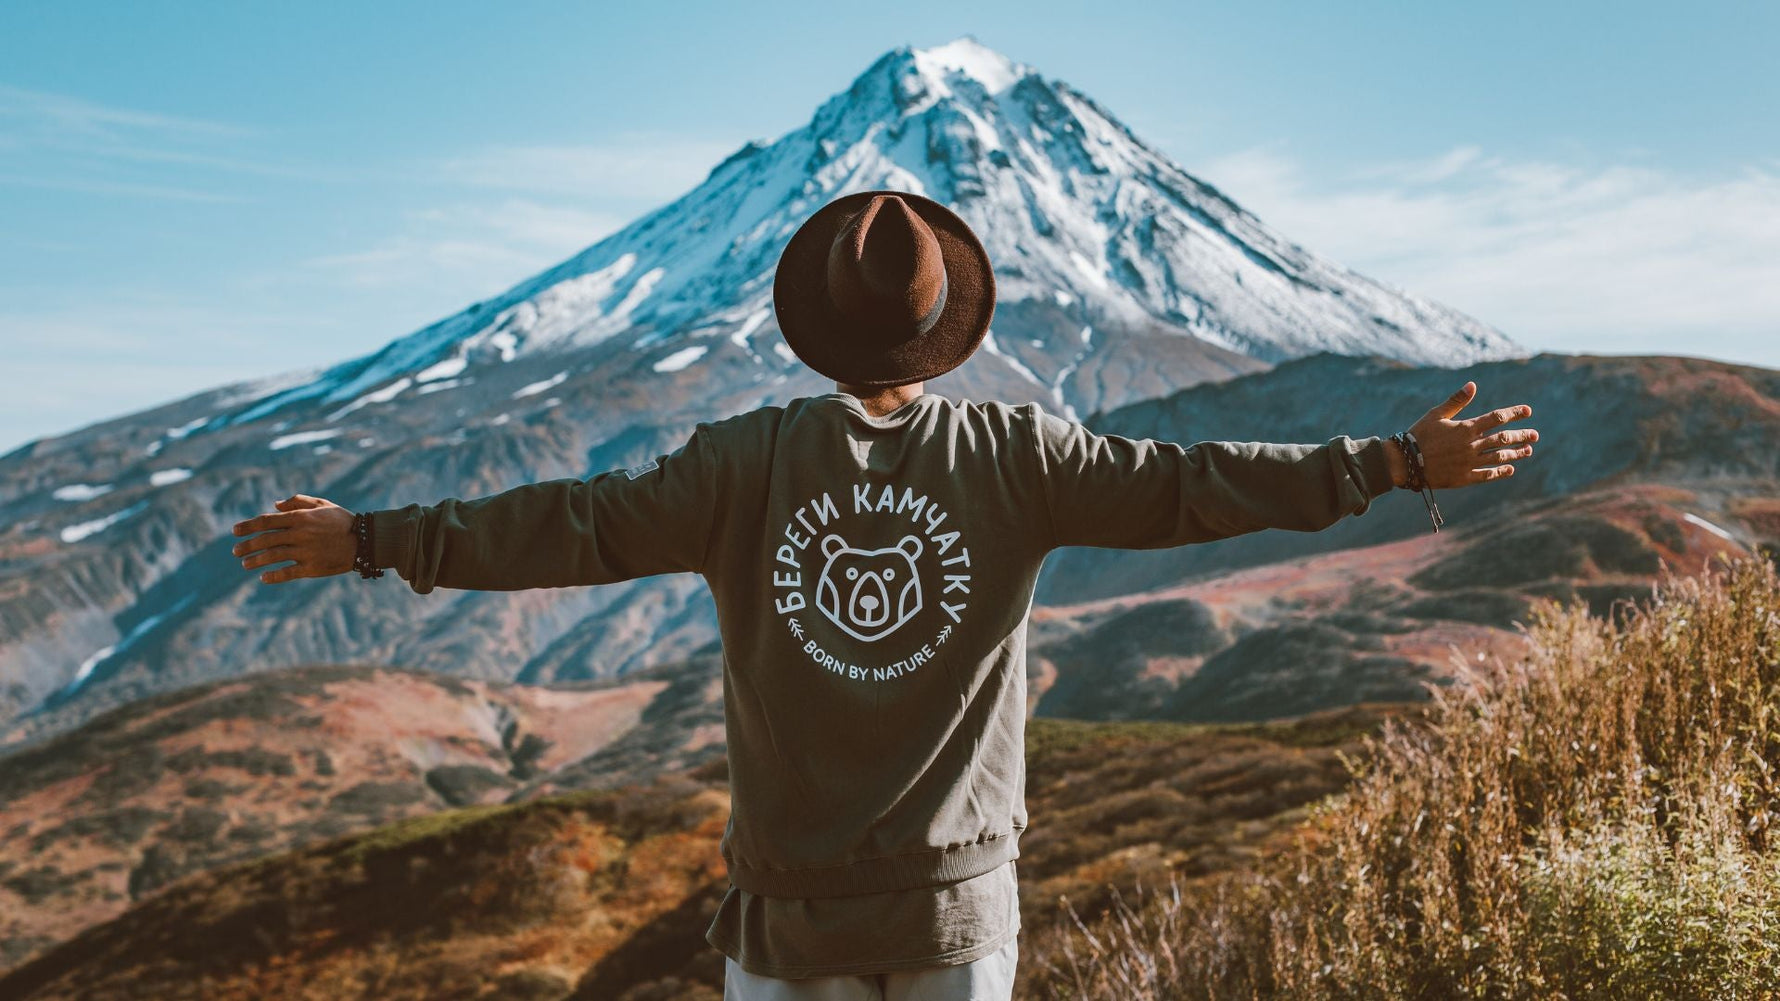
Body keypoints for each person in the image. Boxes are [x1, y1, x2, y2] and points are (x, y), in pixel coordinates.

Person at [230, 190, 1539, 1000]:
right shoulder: (1017, 459)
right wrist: (1396, 462)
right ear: (945, 326)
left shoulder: (740, 463)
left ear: (814, 326)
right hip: (957, 904)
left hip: (789, 908)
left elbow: (568, 528)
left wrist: (370, 539)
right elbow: (1194, 485)